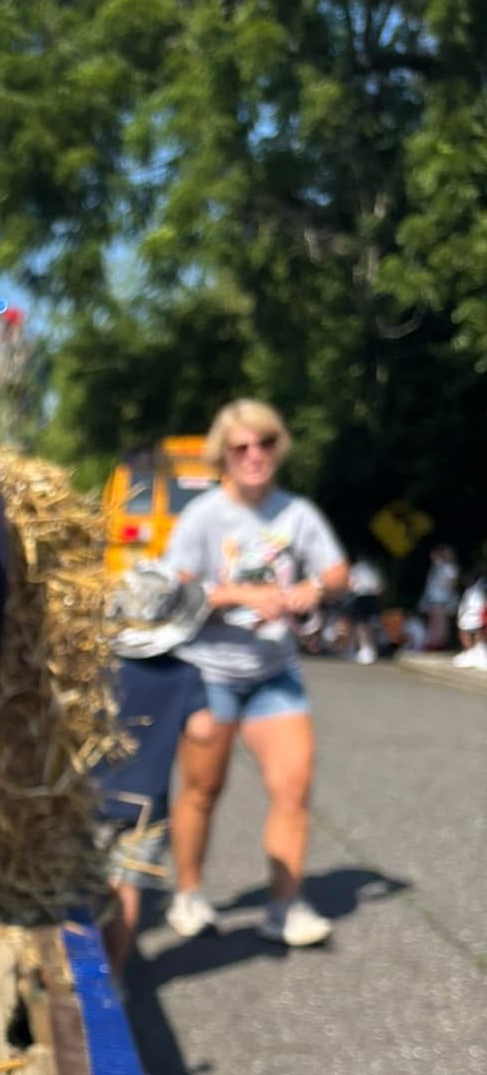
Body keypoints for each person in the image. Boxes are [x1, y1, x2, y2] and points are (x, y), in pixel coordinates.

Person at [160, 398, 348, 948]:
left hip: (273, 671)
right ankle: (188, 894)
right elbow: (174, 588)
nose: (253, 455)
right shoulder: (204, 516)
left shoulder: (297, 513)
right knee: (202, 789)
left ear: (277, 448)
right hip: (209, 670)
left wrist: (315, 587)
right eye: (240, 447)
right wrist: (241, 594)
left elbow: (338, 571)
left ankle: (285, 907)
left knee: (294, 787)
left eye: (264, 443)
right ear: (223, 455)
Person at [93, 564, 213, 970]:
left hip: (90, 796)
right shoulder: (186, 675)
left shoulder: (98, 667)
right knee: (127, 889)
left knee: (82, 886)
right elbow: (203, 731)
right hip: (147, 807)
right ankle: (115, 973)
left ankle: (78, 968)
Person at [420, 543, 459, 650]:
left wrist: (446, 586)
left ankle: (439, 644)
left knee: (441, 623)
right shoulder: (440, 566)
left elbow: (453, 583)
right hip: (434, 598)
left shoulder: (450, 567)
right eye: (444, 553)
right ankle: (434, 642)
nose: (446, 555)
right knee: (435, 622)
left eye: (448, 553)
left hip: (442, 599)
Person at [346, 552, 384, 663]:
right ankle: (370, 649)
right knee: (371, 624)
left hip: (361, 596)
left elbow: (351, 585)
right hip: (372, 597)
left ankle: (364, 648)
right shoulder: (373, 569)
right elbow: (379, 588)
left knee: (360, 624)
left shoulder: (355, 569)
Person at [454, 563, 487, 668]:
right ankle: (472, 653)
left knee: (478, 636)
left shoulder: (479, 590)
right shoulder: (471, 591)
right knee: (468, 634)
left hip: (477, 619)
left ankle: (480, 654)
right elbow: (464, 607)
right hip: (469, 619)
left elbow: (480, 606)